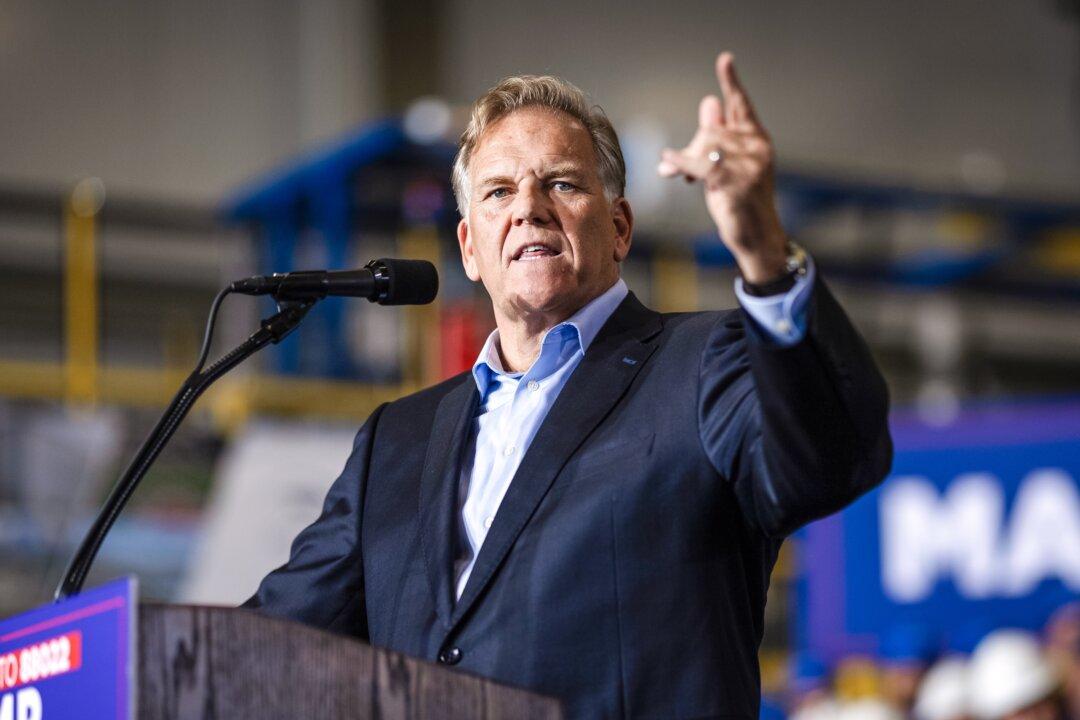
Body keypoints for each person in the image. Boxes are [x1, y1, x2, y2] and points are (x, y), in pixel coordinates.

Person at [244, 52, 893, 718]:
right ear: (470, 247)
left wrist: (766, 256)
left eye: (560, 183)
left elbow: (832, 457)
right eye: (498, 191)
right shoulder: (395, 441)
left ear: (618, 229)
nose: (528, 208)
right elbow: (275, 640)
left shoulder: (705, 363)